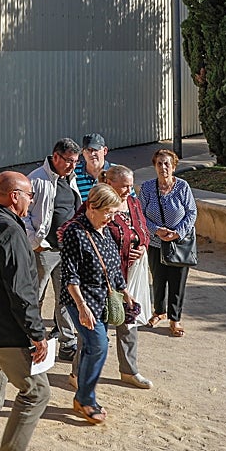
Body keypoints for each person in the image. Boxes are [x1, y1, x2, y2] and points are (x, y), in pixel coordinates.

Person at [0, 171, 51, 451]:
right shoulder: (10, 232)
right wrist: (37, 334)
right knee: (37, 392)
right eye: (30, 195)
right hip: (6, 333)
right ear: (15, 196)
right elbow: (22, 292)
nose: (32, 200)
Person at [60, 182, 132, 425]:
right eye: (106, 213)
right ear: (91, 206)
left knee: (96, 347)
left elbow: (112, 264)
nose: (110, 219)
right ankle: (84, 398)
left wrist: (124, 290)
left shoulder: (105, 230)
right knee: (98, 345)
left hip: (102, 300)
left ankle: (82, 393)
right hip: (81, 299)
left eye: (113, 213)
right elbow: (69, 275)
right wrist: (81, 307)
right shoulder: (74, 232)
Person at [27, 137, 83, 361]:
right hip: (44, 250)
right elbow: (25, 215)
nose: (72, 165)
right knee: (36, 296)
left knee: (66, 297)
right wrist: (35, 242)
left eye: (76, 162)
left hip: (67, 250)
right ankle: (32, 339)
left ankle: (67, 343)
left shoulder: (71, 178)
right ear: (56, 156)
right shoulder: (37, 179)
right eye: (69, 160)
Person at [99, 164, 154, 389]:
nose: (128, 190)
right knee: (97, 329)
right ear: (109, 183)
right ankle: (78, 374)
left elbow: (144, 229)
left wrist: (142, 246)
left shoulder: (132, 201)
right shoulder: (97, 204)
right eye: (124, 186)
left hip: (131, 274)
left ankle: (129, 371)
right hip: (107, 277)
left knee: (129, 321)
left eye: (131, 186)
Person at [140, 148, 198, 338]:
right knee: (158, 279)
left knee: (177, 281)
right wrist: (156, 230)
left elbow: (191, 213)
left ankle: (175, 318)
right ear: (154, 166)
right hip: (156, 242)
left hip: (178, 243)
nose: (163, 167)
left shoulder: (182, 187)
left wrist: (177, 233)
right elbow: (140, 215)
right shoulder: (148, 188)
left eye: (167, 164)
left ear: (173, 166)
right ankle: (159, 312)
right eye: (159, 163)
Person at [74, 133, 110, 203]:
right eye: (88, 150)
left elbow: (132, 202)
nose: (92, 154)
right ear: (83, 152)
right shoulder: (73, 173)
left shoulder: (116, 172)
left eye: (95, 150)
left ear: (105, 151)